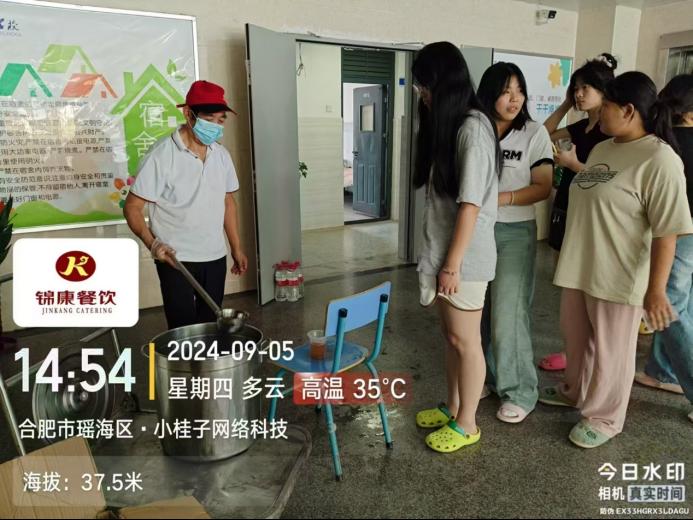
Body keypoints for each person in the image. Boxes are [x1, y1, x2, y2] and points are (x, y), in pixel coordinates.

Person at [539, 71, 693, 448]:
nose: (598, 111)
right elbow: (598, 188)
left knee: (611, 350)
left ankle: (605, 417)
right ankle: (576, 391)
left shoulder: (660, 158)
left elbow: (667, 231)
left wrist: (656, 290)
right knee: (577, 339)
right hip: (581, 265)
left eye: (605, 105)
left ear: (628, 110)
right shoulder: (604, 148)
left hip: (618, 273)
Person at [411, 42, 500, 453]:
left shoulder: (473, 129)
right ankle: (452, 407)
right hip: (448, 256)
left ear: (444, 82)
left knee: (467, 342)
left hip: (464, 260)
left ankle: (468, 423)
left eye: (425, 85)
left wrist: (452, 264)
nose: (422, 93)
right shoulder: (453, 125)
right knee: (451, 337)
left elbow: (470, 205)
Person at [124, 80, 248, 329]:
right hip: (176, 259)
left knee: (212, 325)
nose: (215, 126)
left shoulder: (221, 155)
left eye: (220, 120)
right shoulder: (161, 155)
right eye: (208, 119)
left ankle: (207, 357)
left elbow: (227, 202)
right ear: (188, 114)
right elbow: (132, 208)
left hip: (214, 256)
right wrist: (153, 244)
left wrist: (236, 247)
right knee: (182, 329)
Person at [477, 62, 554, 423]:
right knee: (478, 312)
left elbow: (543, 186)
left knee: (508, 313)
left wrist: (502, 199)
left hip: (514, 232)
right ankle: (489, 376)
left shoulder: (534, 133)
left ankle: (521, 390)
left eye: (519, 90)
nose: (514, 98)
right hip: (477, 230)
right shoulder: (477, 129)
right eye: (506, 91)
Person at [539, 53, 618, 372]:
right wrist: (564, 105)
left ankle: (587, 351)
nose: (579, 94)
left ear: (605, 91)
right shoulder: (581, 126)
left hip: (595, 212)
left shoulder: (614, 132)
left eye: (586, 88)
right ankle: (573, 347)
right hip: (568, 204)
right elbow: (543, 133)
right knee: (567, 280)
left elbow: (613, 179)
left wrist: (574, 165)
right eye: (576, 88)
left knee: (589, 283)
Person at [633, 73, 693, 423]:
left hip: (678, 235)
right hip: (686, 235)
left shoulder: (662, 144)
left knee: (669, 308)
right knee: (682, 304)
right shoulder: (668, 143)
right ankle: (661, 370)